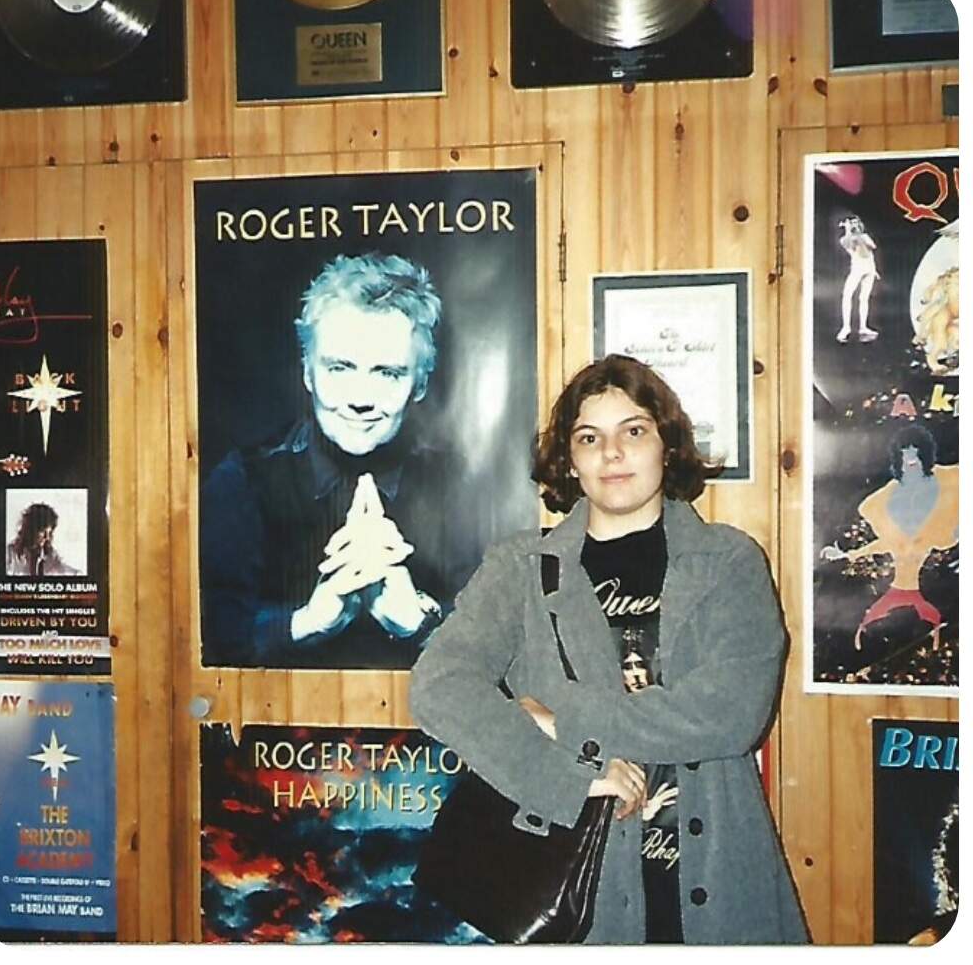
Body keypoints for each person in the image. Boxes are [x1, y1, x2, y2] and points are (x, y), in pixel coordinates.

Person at [410, 355, 808, 944]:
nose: (612, 453)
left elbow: (731, 713)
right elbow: (438, 688)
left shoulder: (728, 561)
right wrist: (566, 776)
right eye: (589, 437)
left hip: (719, 886)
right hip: (579, 898)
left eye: (634, 431)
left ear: (666, 445)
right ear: (570, 460)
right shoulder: (521, 567)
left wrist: (559, 720)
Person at [200, 253, 480, 667]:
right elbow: (201, 641)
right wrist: (307, 622)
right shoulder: (241, 480)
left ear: (419, 384)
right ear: (308, 374)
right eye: (340, 368)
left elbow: (508, 651)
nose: (360, 399)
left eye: (387, 373)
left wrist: (419, 622)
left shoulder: (462, 485)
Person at [821, 425, 958, 654]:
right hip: (901, 589)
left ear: (926, 456)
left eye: (916, 453)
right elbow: (888, 543)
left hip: (948, 590)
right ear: (897, 460)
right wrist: (848, 555)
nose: (911, 458)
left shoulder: (956, 480)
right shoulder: (879, 503)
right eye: (904, 454)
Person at [5, 501, 80, 576]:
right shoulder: (9, 555)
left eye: (49, 533)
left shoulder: (51, 556)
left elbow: (66, 570)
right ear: (31, 529)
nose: (47, 537)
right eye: (43, 532)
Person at [836, 215, 879, 343]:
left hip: (869, 269)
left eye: (856, 222)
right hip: (857, 270)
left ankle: (863, 327)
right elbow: (849, 245)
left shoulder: (864, 237)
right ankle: (846, 327)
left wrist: (874, 270)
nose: (855, 225)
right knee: (847, 295)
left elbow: (871, 249)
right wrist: (848, 230)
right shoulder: (844, 239)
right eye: (852, 223)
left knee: (864, 298)